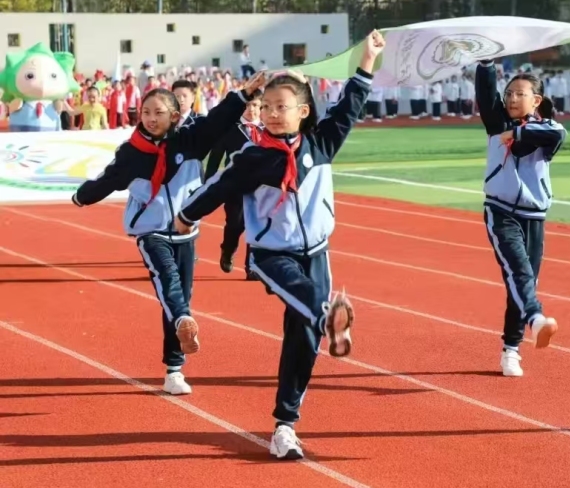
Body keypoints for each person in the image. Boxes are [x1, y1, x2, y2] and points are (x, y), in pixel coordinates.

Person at [174, 30, 386, 460]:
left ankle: (285, 426)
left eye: (281, 107)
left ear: (303, 112)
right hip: (272, 255)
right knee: (311, 305)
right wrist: (186, 216)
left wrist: (367, 61)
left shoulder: (321, 144)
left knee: (302, 336)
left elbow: (350, 105)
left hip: (317, 253)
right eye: (266, 106)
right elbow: (217, 188)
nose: (271, 113)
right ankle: (328, 316)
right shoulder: (254, 157)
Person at [71, 73, 267, 395]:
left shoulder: (191, 141)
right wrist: (82, 196)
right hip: (150, 230)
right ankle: (182, 325)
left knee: (178, 298)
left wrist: (243, 96)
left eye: (159, 113)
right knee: (167, 281)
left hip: (185, 230)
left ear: (174, 116)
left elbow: (218, 120)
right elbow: (108, 179)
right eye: (146, 112)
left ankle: (174, 369)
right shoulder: (132, 151)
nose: (151, 118)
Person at [475, 59, 567, 378]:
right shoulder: (496, 123)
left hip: (534, 216)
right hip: (500, 211)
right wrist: (487, 63)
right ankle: (536, 319)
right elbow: (485, 94)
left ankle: (510, 350)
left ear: (536, 100)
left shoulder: (546, 129)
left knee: (523, 282)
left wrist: (515, 133)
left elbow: (558, 133)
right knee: (520, 273)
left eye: (520, 94)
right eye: (509, 93)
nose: (512, 98)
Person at [205, 89, 264, 278]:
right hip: (235, 186)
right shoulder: (231, 129)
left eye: (255, 105)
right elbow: (215, 157)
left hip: (262, 187)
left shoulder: (269, 129)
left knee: (257, 225)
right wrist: (208, 182)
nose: (251, 110)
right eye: (247, 105)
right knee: (235, 224)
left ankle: (252, 266)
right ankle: (228, 249)